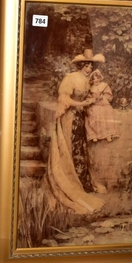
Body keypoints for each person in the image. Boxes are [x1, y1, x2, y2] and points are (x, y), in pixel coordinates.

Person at [43, 48, 107, 215]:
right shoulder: (71, 78)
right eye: (86, 66)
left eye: (91, 66)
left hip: (80, 118)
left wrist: (91, 100)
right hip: (69, 118)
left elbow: (89, 97)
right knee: (70, 147)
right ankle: (70, 181)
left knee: (80, 148)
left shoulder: (89, 81)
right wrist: (82, 104)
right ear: (81, 66)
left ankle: (83, 182)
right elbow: (64, 99)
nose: (89, 69)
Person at [85, 69, 119, 143]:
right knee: (93, 112)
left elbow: (109, 96)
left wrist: (102, 97)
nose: (96, 80)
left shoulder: (104, 85)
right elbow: (88, 97)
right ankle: (95, 135)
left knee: (107, 111)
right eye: (94, 79)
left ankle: (108, 134)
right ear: (92, 81)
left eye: (98, 78)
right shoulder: (90, 88)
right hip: (94, 105)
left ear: (100, 78)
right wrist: (92, 98)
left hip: (103, 104)